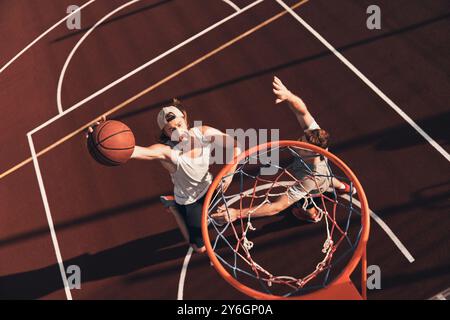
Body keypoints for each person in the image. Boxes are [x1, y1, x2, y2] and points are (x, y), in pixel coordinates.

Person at [88, 99, 241, 253]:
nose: (178, 132)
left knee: (216, 217)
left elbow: (235, 146)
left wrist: (230, 173)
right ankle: (175, 208)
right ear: (166, 134)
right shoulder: (167, 153)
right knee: (199, 248)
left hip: (210, 186)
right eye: (171, 130)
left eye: (179, 125)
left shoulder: (203, 133)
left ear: (186, 120)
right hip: (189, 200)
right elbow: (132, 151)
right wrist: (99, 141)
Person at [212, 77, 353, 224]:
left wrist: (237, 213)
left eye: (302, 147)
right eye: (300, 140)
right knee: (329, 177)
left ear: (313, 153)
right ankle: (343, 187)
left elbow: (277, 207)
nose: (296, 144)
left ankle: (313, 214)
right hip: (323, 174)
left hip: (314, 184)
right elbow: (303, 112)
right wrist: (289, 96)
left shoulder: (309, 180)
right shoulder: (316, 137)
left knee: (304, 200)